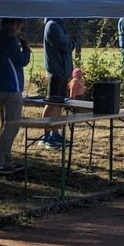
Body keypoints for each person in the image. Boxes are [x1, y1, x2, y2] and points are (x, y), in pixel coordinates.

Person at [0, 19, 30, 175]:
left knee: (5, 125)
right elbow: (21, 60)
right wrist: (26, 49)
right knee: (12, 125)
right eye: (20, 27)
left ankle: (6, 159)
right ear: (15, 25)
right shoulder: (10, 40)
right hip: (11, 87)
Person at [41, 18, 75, 150]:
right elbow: (63, 45)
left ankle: (54, 133)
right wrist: (71, 43)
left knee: (57, 104)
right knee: (52, 103)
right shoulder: (53, 26)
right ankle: (48, 135)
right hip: (56, 71)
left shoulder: (57, 25)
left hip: (61, 71)